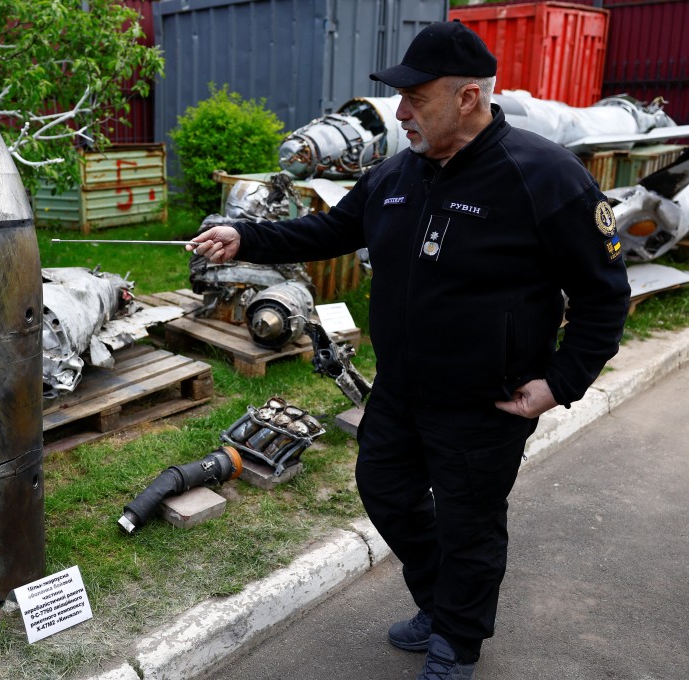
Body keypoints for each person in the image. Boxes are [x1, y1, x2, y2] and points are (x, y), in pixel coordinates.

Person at [189, 19, 631, 680]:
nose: (400, 114)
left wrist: (561, 382)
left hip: (487, 402)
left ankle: (458, 641)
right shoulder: (398, 173)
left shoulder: (544, 176)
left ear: (468, 98)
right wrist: (244, 237)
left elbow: (605, 295)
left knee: (469, 525)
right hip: (400, 390)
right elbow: (331, 230)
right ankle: (441, 602)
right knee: (386, 492)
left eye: (415, 99)